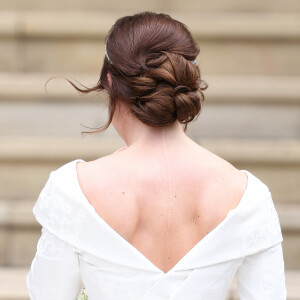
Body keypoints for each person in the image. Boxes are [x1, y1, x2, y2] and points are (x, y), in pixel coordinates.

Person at [26, 11, 286, 299]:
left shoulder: (73, 190)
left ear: (111, 83)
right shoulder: (249, 197)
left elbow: (48, 293)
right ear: (186, 83)